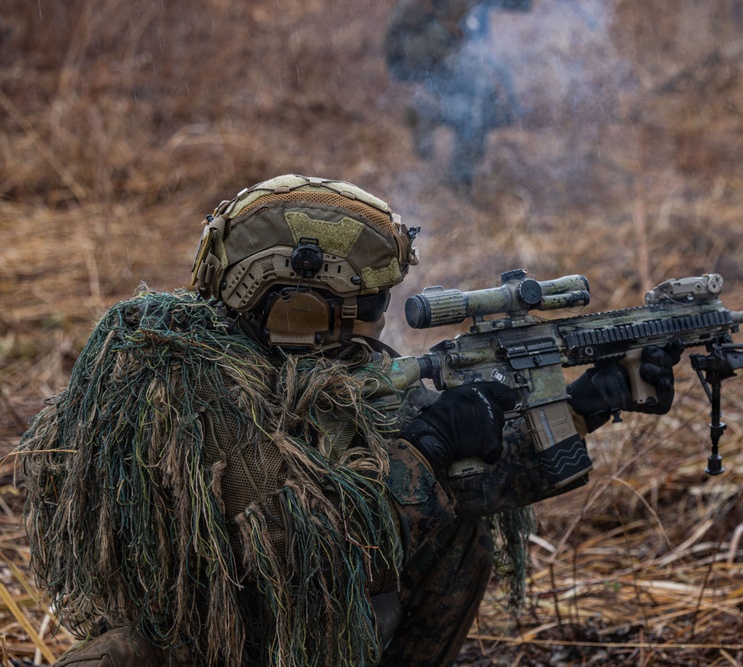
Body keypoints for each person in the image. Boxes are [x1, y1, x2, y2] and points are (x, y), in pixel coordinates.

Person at [16, 174, 680, 666]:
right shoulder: (190, 391)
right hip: (200, 644)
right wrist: (426, 446)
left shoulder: (296, 362)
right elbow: (297, 551)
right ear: (296, 300)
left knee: (457, 521)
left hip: (270, 629)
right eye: (367, 301)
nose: (379, 319)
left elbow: (446, 485)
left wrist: (591, 401)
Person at [384, 0, 531, 191]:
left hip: (444, 61)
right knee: (471, 114)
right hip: (437, 63)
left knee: (490, 108)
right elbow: (403, 54)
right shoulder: (422, 11)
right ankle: (462, 182)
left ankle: (429, 110)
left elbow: (517, 4)